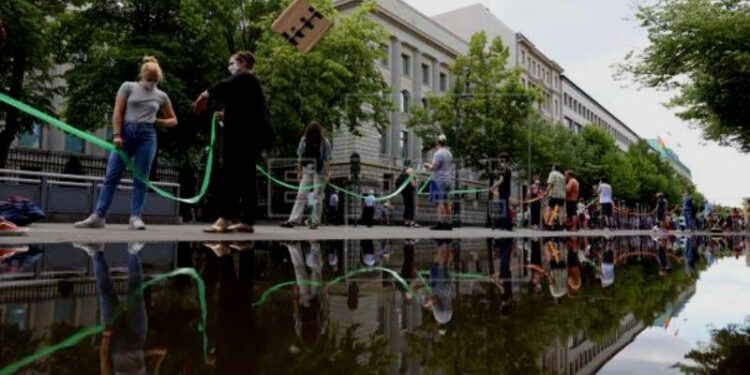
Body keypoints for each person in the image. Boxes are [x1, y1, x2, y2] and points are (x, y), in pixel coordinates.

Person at [75, 56, 177, 230]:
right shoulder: (128, 87)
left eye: (155, 80)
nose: (151, 83)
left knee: (141, 177)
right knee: (112, 175)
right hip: (126, 133)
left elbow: (174, 120)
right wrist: (116, 134)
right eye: (148, 79)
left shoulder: (161, 96)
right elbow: (118, 110)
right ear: (142, 76)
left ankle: (135, 217)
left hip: (147, 136)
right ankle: (98, 216)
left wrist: (158, 121)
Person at [195, 51, 270, 233]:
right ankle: (247, 220)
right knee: (246, 178)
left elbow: (224, 85)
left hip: (244, 138)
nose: (230, 67)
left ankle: (225, 218)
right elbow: (245, 109)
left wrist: (205, 94)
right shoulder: (246, 84)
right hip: (248, 137)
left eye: (232, 63)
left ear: (242, 62)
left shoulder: (246, 78)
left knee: (229, 174)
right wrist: (225, 115)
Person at [73, 242, 166, 375]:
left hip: (116, 340)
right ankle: (133, 252)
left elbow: (104, 360)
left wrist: (106, 337)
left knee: (106, 294)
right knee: (136, 293)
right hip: (137, 339)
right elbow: (160, 355)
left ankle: (97, 253)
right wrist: (149, 354)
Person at [279, 121, 332, 230]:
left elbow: (327, 160)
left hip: (319, 170)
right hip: (307, 169)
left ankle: (315, 221)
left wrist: (327, 174)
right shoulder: (304, 140)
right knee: (301, 194)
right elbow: (299, 157)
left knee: (318, 196)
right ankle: (293, 220)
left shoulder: (324, 142)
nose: (313, 137)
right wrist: (299, 172)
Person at [424, 135, 453, 230]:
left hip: (440, 180)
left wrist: (427, 165)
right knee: (446, 202)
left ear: (437, 142)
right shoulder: (449, 153)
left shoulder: (438, 154)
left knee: (439, 202)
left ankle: (440, 223)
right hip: (448, 180)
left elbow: (434, 168)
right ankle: (448, 223)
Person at [490, 154, 512, 231]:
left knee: (503, 207)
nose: (498, 160)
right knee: (505, 207)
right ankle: (508, 225)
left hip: (503, 190)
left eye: (499, 159)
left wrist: (493, 187)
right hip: (507, 189)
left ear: (503, 159)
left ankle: (503, 226)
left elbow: (501, 180)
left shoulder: (502, 167)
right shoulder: (508, 168)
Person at [544, 164, 566, 230]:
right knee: (560, 210)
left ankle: (547, 224)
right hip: (561, 195)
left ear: (554, 168)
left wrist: (546, 192)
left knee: (549, 209)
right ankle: (561, 225)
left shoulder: (552, 174)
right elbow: (564, 187)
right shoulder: (562, 176)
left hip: (553, 194)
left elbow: (550, 184)